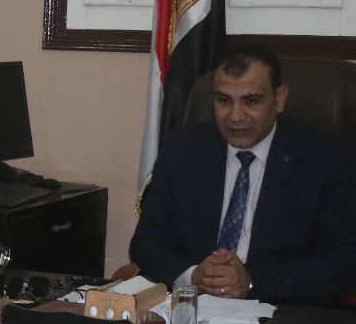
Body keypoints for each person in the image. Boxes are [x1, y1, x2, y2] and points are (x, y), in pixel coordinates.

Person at [130, 44, 356, 303]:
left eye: (251, 100)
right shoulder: (182, 150)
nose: (235, 116)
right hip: (194, 305)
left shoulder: (325, 158)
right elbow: (147, 242)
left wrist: (251, 280)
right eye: (223, 100)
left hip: (282, 308)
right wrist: (194, 276)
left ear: (279, 98)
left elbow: (344, 258)